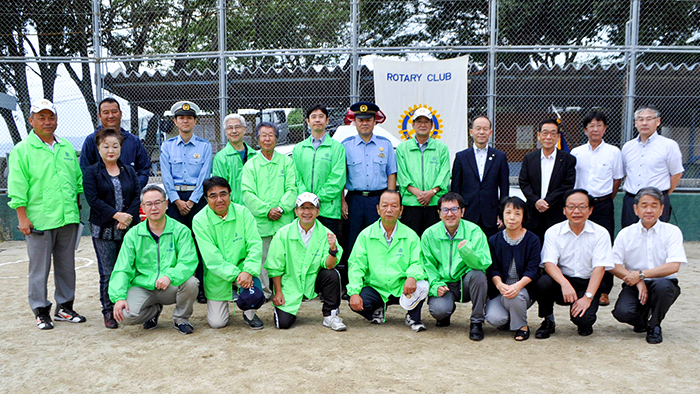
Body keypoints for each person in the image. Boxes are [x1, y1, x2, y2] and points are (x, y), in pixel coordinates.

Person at [7, 99, 87, 329]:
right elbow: (17, 186)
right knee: (39, 268)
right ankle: (41, 310)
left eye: (51, 117)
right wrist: (22, 217)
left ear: (56, 119)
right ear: (31, 121)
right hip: (39, 221)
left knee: (66, 265)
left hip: (67, 218)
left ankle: (65, 307)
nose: (47, 122)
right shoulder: (22, 150)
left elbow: (77, 181)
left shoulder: (66, 148)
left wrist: (76, 208)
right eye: (41, 117)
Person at [108, 185, 199, 334]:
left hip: (171, 285)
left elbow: (188, 262)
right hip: (144, 286)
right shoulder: (133, 235)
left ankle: (181, 319)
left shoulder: (181, 230)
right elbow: (122, 268)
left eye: (158, 202)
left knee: (191, 283)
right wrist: (119, 297)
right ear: (142, 207)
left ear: (166, 204)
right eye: (148, 204)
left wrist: (170, 275)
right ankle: (153, 311)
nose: (154, 208)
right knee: (123, 316)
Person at [610, 187, 686, 344]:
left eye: (654, 205)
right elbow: (612, 264)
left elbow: (674, 266)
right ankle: (644, 320)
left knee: (662, 287)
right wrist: (638, 281)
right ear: (636, 209)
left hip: (663, 283)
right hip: (634, 283)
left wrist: (641, 274)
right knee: (622, 313)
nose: (649, 210)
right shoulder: (626, 233)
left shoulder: (672, 231)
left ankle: (655, 326)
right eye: (644, 205)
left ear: (662, 209)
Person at [83, 128, 141, 329]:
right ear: (98, 148)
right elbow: (93, 200)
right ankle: (108, 311)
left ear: (120, 148)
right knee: (108, 271)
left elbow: (136, 195)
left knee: (130, 268)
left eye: (115, 146)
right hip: (104, 230)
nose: (111, 150)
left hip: (129, 228)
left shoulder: (129, 171)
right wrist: (117, 215)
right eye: (106, 146)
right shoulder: (92, 172)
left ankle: (130, 305)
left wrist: (128, 218)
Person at [535, 189, 614, 338]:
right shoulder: (553, 232)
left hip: (588, 283)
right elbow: (549, 263)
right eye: (571, 207)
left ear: (590, 210)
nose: (576, 211)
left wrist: (588, 297)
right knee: (543, 282)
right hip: (562, 281)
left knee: (584, 320)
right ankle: (548, 320)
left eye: (582, 207)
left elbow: (600, 268)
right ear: (564, 210)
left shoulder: (601, 233)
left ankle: (584, 321)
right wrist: (564, 284)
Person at [347, 190, 428, 332]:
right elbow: (356, 265)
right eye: (384, 205)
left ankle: (413, 317)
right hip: (376, 287)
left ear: (401, 209)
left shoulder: (411, 235)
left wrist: (412, 276)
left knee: (421, 284)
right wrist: (353, 292)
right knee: (355, 300)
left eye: (394, 206)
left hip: (401, 287)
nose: (389, 210)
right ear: (378, 209)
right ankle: (377, 309)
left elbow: (417, 262)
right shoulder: (366, 235)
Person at [192, 177, 266, 330]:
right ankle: (231, 296)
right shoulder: (199, 220)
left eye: (223, 194)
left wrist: (248, 271)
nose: (219, 199)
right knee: (217, 323)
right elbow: (212, 259)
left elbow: (255, 244)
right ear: (206, 199)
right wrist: (238, 276)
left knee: (251, 294)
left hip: (245, 271)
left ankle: (249, 313)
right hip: (218, 276)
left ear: (230, 194)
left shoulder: (243, 213)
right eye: (213, 196)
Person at [265, 192, 346, 331]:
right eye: (303, 208)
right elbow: (275, 267)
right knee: (283, 324)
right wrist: (278, 292)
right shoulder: (283, 234)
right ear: (296, 211)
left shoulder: (326, 234)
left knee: (332, 275)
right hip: (291, 283)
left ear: (318, 211)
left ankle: (330, 315)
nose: (307, 212)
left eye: (311, 208)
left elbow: (329, 265)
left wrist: (333, 250)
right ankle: (287, 308)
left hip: (313, 280)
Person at [340, 101, 397, 294]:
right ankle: (352, 287)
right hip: (354, 200)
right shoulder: (346, 146)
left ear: (375, 122)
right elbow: (341, 176)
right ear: (354, 122)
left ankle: (376, 285)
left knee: (379, 242)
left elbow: (391, 174)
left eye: (368, 120)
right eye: (360, 120)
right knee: (353, 243)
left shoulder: (385, 145)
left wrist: (388, 202)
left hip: (378, 200)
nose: (364, 123)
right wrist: (342, 201)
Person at [160, 100, 212, 303]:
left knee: (199, 243)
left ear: (195, 121)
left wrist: (191, 201)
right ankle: (176, 286)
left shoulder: (204, 146)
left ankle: (199, 287)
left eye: (189, 117)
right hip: (174, 200)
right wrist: (176, 200)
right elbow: (166, 175)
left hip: (197, 200)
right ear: (175, 121)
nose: (185, 121)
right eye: (181, 117)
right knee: (175, 243)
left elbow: (204, 176)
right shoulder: (168, 146)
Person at [420, 192, 491, 340]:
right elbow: (427, 265)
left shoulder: (474, 231)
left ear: (462, 212)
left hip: (465, 282)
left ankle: (476, 321)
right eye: (445, 210)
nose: (450, 214)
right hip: (444, 283)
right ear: (439, 213)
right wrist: (435, 285)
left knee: (478, 275)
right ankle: (445, 313)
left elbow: (483, 263)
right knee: (439, 310)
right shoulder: (429, 234)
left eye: (454, 209)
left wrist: (466, 251)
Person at [570, 110, 623, 306]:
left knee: (605, 246)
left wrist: (606, 198)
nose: (595, 129)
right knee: (580, 244)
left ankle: (604, 290)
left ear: (605, 128)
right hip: (579, 208)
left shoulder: (613, 152)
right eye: (591, 126)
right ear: (585, 130)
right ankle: (578, 285)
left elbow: (617, 179)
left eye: (599, 125)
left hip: (602, 205)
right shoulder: (577, 153)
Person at [242, 122, 297, 299]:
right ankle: (264, 292)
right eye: (263, 135)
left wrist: (281, 208)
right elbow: (247, 193)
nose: (267, 139)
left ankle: (287, 291)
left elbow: (292, 188)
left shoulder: (286, 162)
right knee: (262, 259)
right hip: (262, 222)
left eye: (271, 135)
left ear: (276, 138)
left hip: (283, 219)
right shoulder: (251, 165)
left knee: (285, 257)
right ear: (257, 139)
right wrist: (267, 211)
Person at [485, 197, 540, 341]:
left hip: (523, 288)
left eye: (517, 213)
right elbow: (493, 268)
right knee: (495, 318)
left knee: (515, 296)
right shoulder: (494, 240)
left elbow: (533, 269)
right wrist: (499, 285)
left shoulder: (532, 240)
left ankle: (522, 326)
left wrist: (517, 286)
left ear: (523, 217)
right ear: (501, 215)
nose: (512, 218)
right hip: (500, 288)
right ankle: (511, 317)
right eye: (508, 212)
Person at [621, 105, 684, 228]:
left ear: (658, 121)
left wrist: (661, 196)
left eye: (649, 119)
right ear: (635, 123)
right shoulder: (628, 147)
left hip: (656, 201)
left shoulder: (669, 145)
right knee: (631, 239)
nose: (644, 123)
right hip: (631, 201)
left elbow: (676, 174)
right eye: (640, 119)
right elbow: (624, 173)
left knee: (657, 239)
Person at [519, 118, 577, 242]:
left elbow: (567, 185)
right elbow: (524, 182)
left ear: (557, 137)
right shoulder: (529, 158)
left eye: (553, 133)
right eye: (545, 133)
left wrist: (547, 202)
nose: (548, 137)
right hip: (533, 213)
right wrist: (536, 201)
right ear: (539, 135)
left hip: (556, 213)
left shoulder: (568, 159)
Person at [292, 104, 347, 235]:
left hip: (328, 210)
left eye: (321, 117)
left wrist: (316, 199)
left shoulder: (337, 148)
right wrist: (307, 200)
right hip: (304, 210)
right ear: (307, 121)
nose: (317, 120)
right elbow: (296, 177)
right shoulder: (299, 149)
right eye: (313, 117)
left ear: (327, 121)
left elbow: (337, 179)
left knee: (328, 248)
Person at [451, 116, 509, 238]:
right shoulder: (461, 157)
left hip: (491, 215)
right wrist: (457, 211)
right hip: (467, 213)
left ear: (490, 132)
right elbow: (455, 189)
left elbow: (504, 188)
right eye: (478, 129)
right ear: (471, 132)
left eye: (485, 129)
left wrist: (502, 213)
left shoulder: (500, 156)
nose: (481, 132)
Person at [395, 107, 450, 236]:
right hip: (411, 204)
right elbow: (402, 175)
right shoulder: (403, 148)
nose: (422, 125)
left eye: (426, 122)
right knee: (411, 240)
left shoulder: (441, 148)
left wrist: (431, 193)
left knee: (434, 241)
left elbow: (444, 173)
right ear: (413, 125)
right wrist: (419, 194)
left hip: (435, 204)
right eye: (419, 121)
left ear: (432, 125)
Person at [80, 97, 151, 188]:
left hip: (131, 198)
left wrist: (134, 188)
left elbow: (144, 170)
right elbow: (85, 170)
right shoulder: (91, 140)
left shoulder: (133, 141)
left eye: (114, 111)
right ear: (99, 116)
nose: (111, 116)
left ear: (120, 114)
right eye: (106, 112)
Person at [212, 113, 258, 205]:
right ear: (225, 132)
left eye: (237, 127)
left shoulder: (255, 156)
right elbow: (219, 188)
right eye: (230, 128)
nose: (234, 131)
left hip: (255, 208)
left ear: (244, 130)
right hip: (233, 208)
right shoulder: (221, 158)